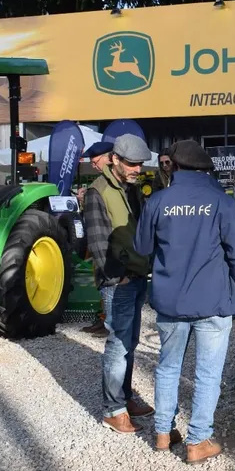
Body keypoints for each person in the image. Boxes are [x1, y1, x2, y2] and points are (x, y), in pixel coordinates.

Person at [134, 140, 235, 464]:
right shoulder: (222, 203)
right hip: (213, 300)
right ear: (206, 168)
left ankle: (162, 432)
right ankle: (198, 441)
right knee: (207, 374)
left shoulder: (157, 201)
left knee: (168, 367)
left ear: (176, 166)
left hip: (170, 301)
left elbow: (142, 247)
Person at [83, 133, 155, 433]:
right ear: (114, 159)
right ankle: (113, 409)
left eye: (139, 164)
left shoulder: (132, 188)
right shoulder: (97, 192)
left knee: (130, 342)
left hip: (137, 275)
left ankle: (124, 397)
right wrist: (116, 277)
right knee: (118, 344)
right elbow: (99, 243)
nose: (137, 168)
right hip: (120, 281)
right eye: (131, 163)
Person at [77, 140, 115, 336]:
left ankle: (108, 322)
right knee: (100, 283)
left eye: (95, 161)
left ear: (110, 158)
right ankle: (103, 319)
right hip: (101, 243)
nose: (93, 165)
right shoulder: (99, 185)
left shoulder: (109, 185)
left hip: (109, 244)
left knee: (107, 285)